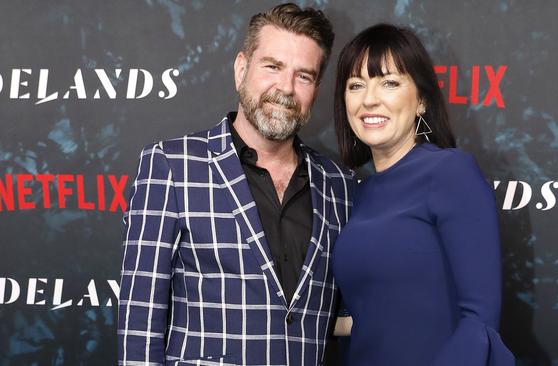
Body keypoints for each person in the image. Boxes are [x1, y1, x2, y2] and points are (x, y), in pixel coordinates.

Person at [117, 4, 355, 365]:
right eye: (272, 66)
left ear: (316, 89)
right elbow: (139, 323)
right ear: (241, 68)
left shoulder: (339, 185)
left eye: (303, 76)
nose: (286, 88)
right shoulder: (171, 165)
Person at [331, 24, 514, 365]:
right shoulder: (358, 193)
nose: (369, 99)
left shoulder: (449, 173)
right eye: (356, 85)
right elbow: (375, 316)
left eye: (389, 82)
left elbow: (479, 320)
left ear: (421, 101)